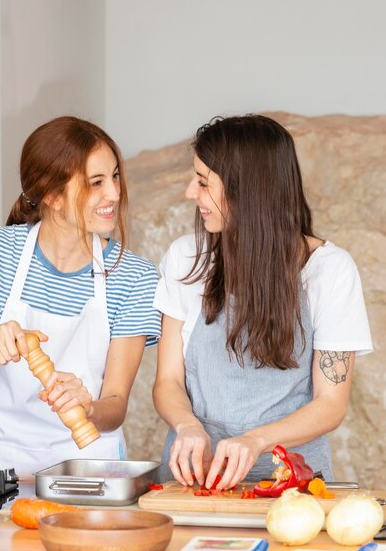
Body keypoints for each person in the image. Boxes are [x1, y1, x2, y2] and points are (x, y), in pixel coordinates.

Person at [0, 116, 161, 478]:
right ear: (53, 196)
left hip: (89, 472)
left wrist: (88, 407)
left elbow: (116, 405)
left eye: (115, 176)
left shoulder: (133, 275)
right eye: (96, 183)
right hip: (4, 471)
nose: (115, 194)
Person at [152, 114, 372, 490]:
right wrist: (188, 426)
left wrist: (255, 441)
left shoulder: (329, 271)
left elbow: (330, 404)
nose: (191, 193)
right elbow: (168, 380)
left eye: (203, 182)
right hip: (193, 481)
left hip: (293, 486)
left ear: (245, 190)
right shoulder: (186, 258)